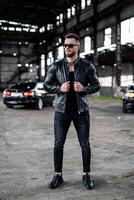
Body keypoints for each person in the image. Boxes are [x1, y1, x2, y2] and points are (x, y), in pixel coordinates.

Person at [44, 33, 100, 190]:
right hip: (61, 112)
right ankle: (57, 175)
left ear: (78, 46)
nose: (66, 48)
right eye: (65, 45)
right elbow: (46, 85)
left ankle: (86, 175)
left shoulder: (87, 66)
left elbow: (96, 85)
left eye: (70, 45)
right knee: (58, 144)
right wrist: (59, 88)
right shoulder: (56, 66)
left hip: (81, 112)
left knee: (84, 144)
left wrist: (84, 89)